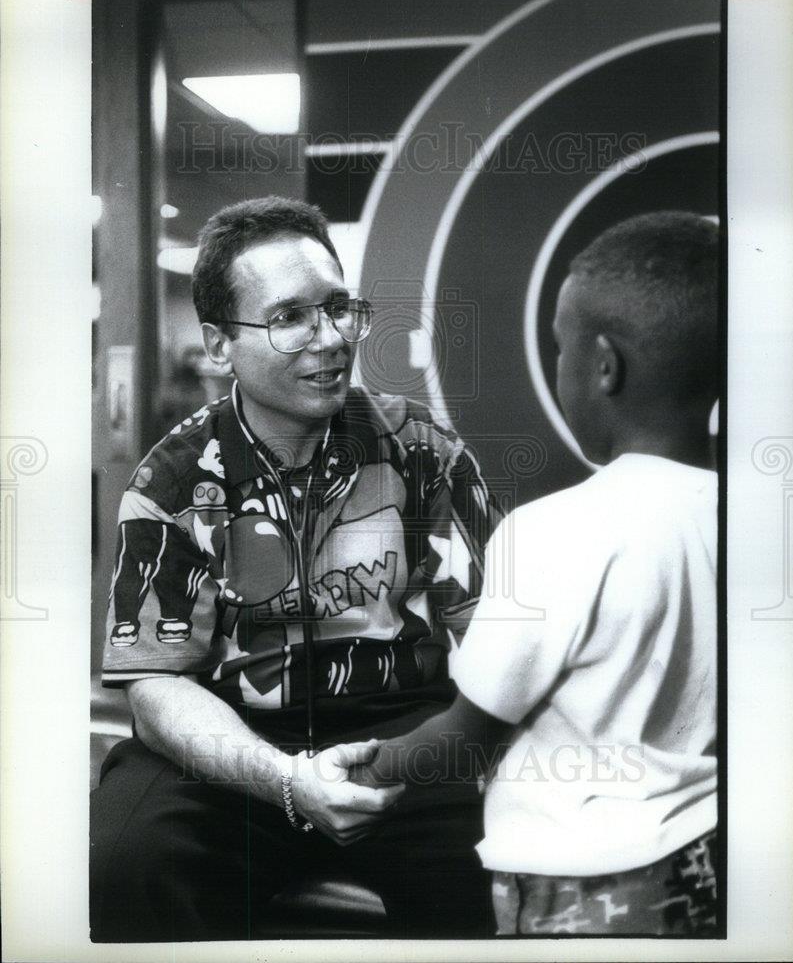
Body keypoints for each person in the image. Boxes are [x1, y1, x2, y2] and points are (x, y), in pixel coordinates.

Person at [90, 196, 500, 941]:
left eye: (338, 307)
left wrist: (433, 754)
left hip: (400, 736)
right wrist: (285, 783)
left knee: (492, 869)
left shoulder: (423, 451)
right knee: (122, 865)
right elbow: (154, 685)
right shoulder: (173, 481)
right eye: (289, 318)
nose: (330, 338)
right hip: (229, 743)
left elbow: (498, 635)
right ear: (219, 346)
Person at [351, 210, 720, 936]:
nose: (558, 368)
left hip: (577, 885)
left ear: (604, 365)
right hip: (705, 859)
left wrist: (353, 770)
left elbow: (464, 738)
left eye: (560, 350)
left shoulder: (556, 530)